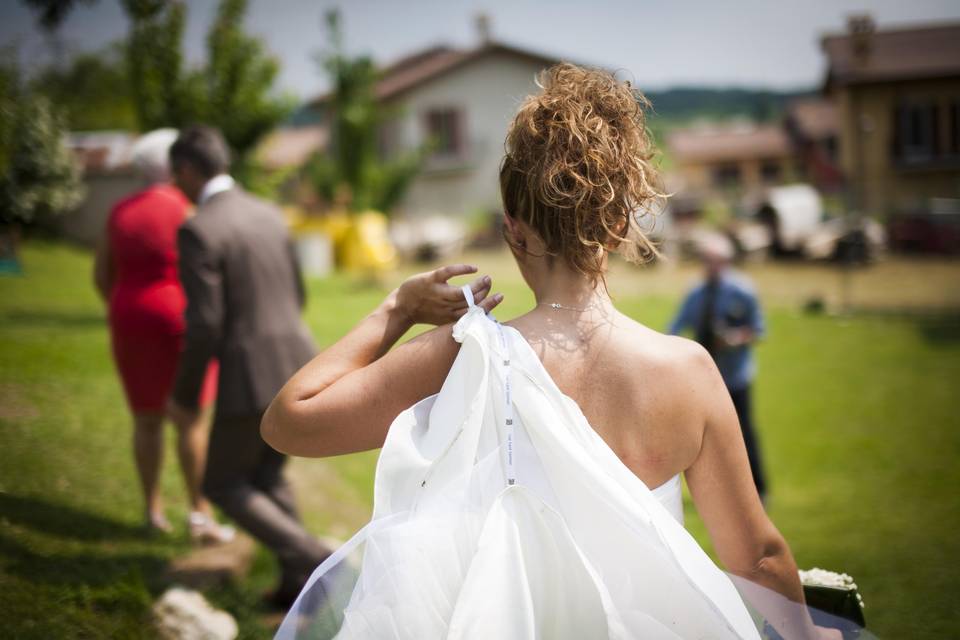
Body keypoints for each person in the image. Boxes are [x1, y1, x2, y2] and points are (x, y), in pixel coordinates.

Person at [262, 65, 843, 639]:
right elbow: (757, 557)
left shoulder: (462, 355)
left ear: (514, 231)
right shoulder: (687, 372)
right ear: (619, 226)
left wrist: (397, 310)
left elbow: (291, 422)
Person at [163, 125, 332, 608]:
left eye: (176, 176)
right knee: (266, 478)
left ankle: (321, 562)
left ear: (189, 171)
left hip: (247, 374)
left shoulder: (199, 228)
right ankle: (298, 588)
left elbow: (204, 325)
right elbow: (298, 292)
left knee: (221, 482)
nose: (177, 185)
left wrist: (184, 396)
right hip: (297, 361)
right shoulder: (268, 212)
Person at [93, 128, 233, 543]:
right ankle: (199, 512)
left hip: (130, 318)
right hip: (179, 319)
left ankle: (152, 510)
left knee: (146, 418)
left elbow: (103, 274)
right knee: (189, 419)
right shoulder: (188, 209)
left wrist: (125, 308)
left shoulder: (119, 211)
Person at [668, 234, 767, 501]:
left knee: (744, 433)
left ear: (726, 262)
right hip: (703, 380)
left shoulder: (743, 291)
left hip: (735, 377)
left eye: (714, 261)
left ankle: (759, 490)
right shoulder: (696, 293)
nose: (709, 266)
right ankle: (712, 492)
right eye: (705, 261)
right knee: (700, 436)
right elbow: (675, 327)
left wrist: (733, 339)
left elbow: (759, 330)